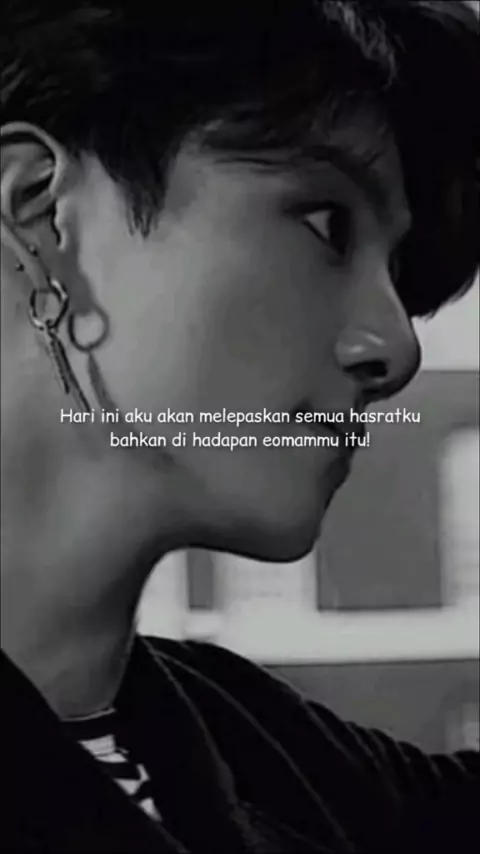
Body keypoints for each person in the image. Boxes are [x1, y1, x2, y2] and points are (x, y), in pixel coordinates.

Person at [1, 1, 478, 852]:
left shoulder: (288, 765)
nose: (396, 347)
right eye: (327, 225)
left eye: (399, 272)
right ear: (41, 212)